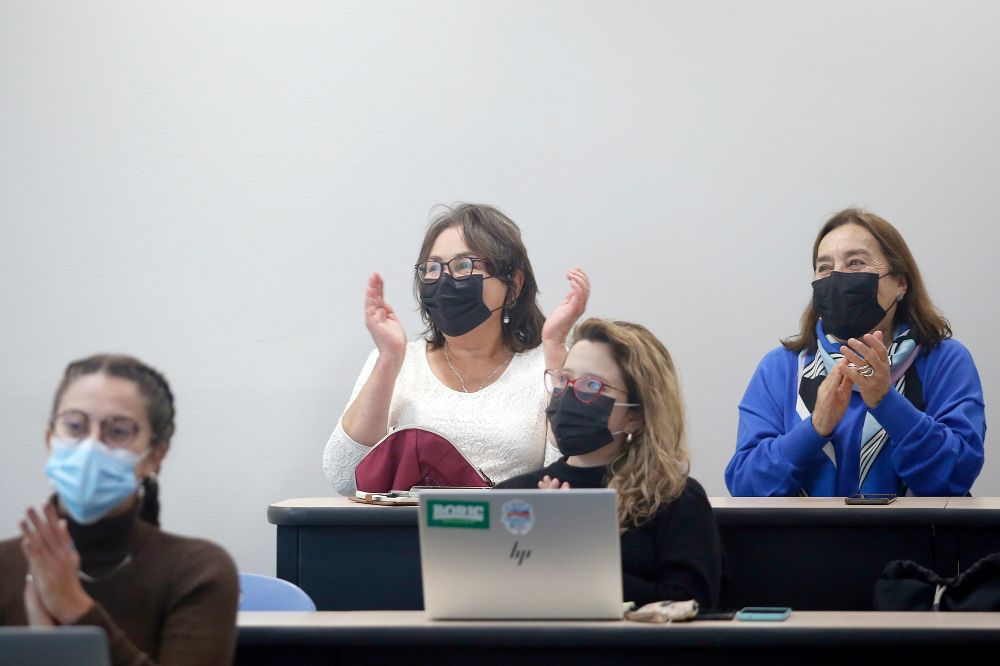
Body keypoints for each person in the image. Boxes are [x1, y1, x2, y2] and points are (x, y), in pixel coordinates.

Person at [323, 203, 590, 494]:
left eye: (464, 266)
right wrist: (389, 358)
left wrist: (554, 348)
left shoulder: (545, 367)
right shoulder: (398, 362)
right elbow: (344, 478)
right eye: (433, 268)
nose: (444, 280)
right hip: (405, 534)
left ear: (513, 284)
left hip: (512, 533)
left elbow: (564, 476)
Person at [726, 208, 985, 497]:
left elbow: (956, 476)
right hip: (805, 541)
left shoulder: (943, 361)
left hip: (912, 540)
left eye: (855, 263)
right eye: (824, 267)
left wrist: (887, 403)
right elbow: (745, 484)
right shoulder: (782, 367)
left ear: (900, 282)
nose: (837, 277)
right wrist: (814, 428)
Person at [0, 354, 239, 666]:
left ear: (154, 457)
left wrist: (76, 608)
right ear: (50, 440)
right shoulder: (5, 565)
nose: (91, 446)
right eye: (75, 426)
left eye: (118, 431)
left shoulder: (198, 571)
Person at [496, 318, 726, 610]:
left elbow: (693, 604)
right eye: (565, 379)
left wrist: (578, 553)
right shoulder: (514, 496)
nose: (568, 394)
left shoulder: (673, 499)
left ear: (635, 414)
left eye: (591, 385)